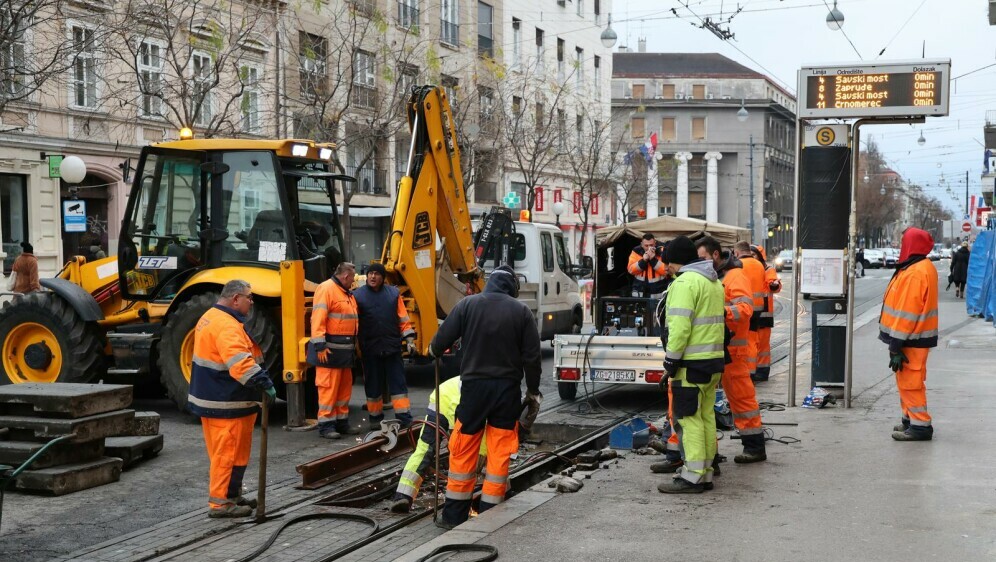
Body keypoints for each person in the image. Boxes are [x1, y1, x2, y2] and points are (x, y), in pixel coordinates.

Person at [428, 264, 542, 528]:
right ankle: (491, 517)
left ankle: (453, 517)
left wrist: (434, 350)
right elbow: (532, 358)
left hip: (474, 389)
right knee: (500, 450)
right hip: (506, 391)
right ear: (512, 288)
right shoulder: (521, 311)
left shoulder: (467, 305)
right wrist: (533, 391)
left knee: (465, 446)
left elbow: (438, 344)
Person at [188, 280, 276, 518]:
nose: (251, 302)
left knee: (236, 453)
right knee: (226, 454)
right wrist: (264, 383)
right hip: (225, 401)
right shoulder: (226, 325)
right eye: (249, 297)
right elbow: (240, 365)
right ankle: (220, 503)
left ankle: (232, 495)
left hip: (229, 400)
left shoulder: (214, 317)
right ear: (236, 298)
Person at [656, 236, 726, 493]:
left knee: (688, 419)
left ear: (678, 261)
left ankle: (693, 476)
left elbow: (679, 328)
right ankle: (705, 472)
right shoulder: (713, 281)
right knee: (706, 417)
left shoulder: (685, 283)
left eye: (669, 263)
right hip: (712, 362)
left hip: (691, 365)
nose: (668, 269)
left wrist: (670, 361)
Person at [700, 238, 766, 463]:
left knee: (741, 399)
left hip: (733, 351)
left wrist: (719, 311)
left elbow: (745, 309)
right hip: (717, 347)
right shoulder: (717, 276)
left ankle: (755, 447)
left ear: (716, 255)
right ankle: (712, 452)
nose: (700, 263)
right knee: (710, 401)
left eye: (703, 258)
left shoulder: (734, 276)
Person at [389, 377, 487, 513]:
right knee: (461, 452)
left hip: (444, 394)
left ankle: (402, 496)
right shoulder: (496, 394)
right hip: (453, 402)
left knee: (425, 448)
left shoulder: (484, 379)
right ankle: (404, 497)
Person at [880, 227, 938, 441]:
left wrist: (896, 343)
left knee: (911, 383)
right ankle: (910, 420)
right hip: (916, 337)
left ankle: (920, 426)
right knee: (907, 380)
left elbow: (907, 312)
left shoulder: (915, 272)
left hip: (911, 338)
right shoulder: (921, 267)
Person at [354, 262, 415, 430]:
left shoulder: (394, 294)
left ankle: (404, 417)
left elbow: (403, 319)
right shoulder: (357, 296)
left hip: (392, 346)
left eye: (377, 274)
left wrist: (409, 339)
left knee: (398, 384)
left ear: (383, 277)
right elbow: (354, 323)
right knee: (373, 384)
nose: (373, 276)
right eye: (370, 273)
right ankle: (375, 418)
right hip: (370, 348)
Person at [310, 262, 360, 439]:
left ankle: (341, 422)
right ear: (346, 276)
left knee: (343, 390)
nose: (353, 281)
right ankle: (326, 425)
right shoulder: (327, 289)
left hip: (344, 352)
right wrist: (319, 345)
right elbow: (318, 317)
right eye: (352, 278)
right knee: (329, 389)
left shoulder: (345, 292)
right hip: (330, 351)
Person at [733, 241, 767, 381]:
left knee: (742, 341)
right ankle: (753, 371)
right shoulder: (759, 265)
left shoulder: (740, 265)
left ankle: (746, 370)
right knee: (753, 340)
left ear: (737, 252)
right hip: (758, 308)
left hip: (744, 307)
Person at [751, 245, 781, 382]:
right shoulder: (747, 269)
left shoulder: (768, 270)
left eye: (754, 255)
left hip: (764, 315)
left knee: (762, 345)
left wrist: (774, 285)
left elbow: (773, 284)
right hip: (751, 313)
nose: (752, 257)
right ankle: (752, 370)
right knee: (752, 344)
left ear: (760, 256)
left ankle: (762, 371)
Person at [627, 233, 668, 298]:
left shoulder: (662, 251)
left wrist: (653, 260)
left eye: (651, 245)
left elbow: (667, 271)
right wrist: (643, 261)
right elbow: (631, 270)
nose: (649, 248)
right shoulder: (636, 251)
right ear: (642, 244)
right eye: (646, 245)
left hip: (658, 294)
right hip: (639, 294)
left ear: (655, 243)